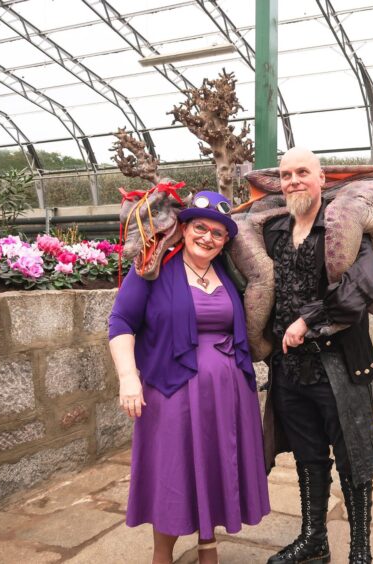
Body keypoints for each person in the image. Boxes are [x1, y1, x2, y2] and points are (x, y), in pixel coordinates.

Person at [108, 191, 270, 564]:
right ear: (184, 227)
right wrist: (128, 377)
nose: (208, 238)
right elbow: (121, 321)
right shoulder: (152, 268)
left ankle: (207, 545)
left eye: (218, 232)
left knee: (214, 466)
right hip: (172, 391)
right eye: (201, 227)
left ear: (226, 239)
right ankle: (161, 555)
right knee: (172, 471)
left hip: (228, 394)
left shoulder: (229, 274)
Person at [263, 148, 373, 564]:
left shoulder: (343, 226)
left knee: (354, 459)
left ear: (322, 179)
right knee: (307, 455)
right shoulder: (274, 231)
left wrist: (306, 321)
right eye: (285, 175)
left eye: (302, 173)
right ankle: (314, 539)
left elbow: (359, 291)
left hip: (339, 365)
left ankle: (360, 551)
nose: (293, 180)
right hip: (290, 370)